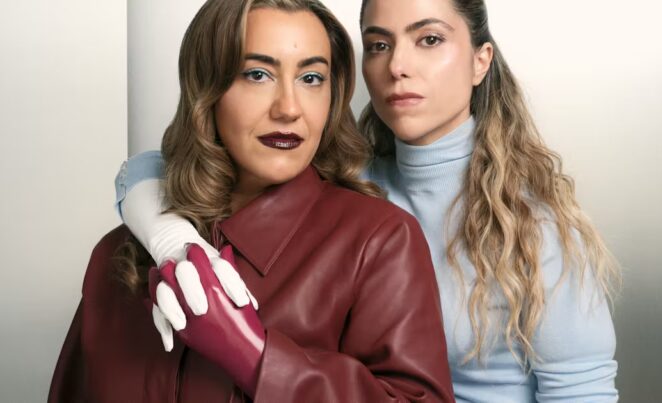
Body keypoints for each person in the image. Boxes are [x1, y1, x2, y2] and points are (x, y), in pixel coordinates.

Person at [111, 0, 622, 401]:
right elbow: (153, 168)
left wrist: (252, 355)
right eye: (378, 44)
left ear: (479, 61)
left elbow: (582, 392)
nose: (398, 65)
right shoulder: (348, 185)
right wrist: (169, 238)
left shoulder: (535, 228)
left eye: (429, 40)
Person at [48, 0, 454, 402]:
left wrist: (254, 356)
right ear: (207, 87)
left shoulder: (378, 242)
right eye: (257, 74)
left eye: (312, 78)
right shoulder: (118, 253)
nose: (289, 109)